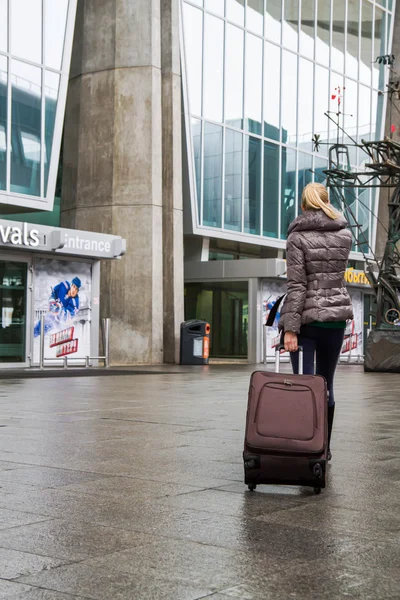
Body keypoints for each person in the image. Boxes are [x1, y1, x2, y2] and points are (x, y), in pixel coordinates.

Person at [279, 183, 353, 461]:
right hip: (335, 321)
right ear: (326, 202)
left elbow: (297, 286)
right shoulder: (344, 234)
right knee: (326, 384)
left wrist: (290, 328)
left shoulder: (296, 238)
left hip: (307, 323)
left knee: (303, 385)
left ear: (303, 206)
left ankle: (305, 445)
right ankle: (324, 447)